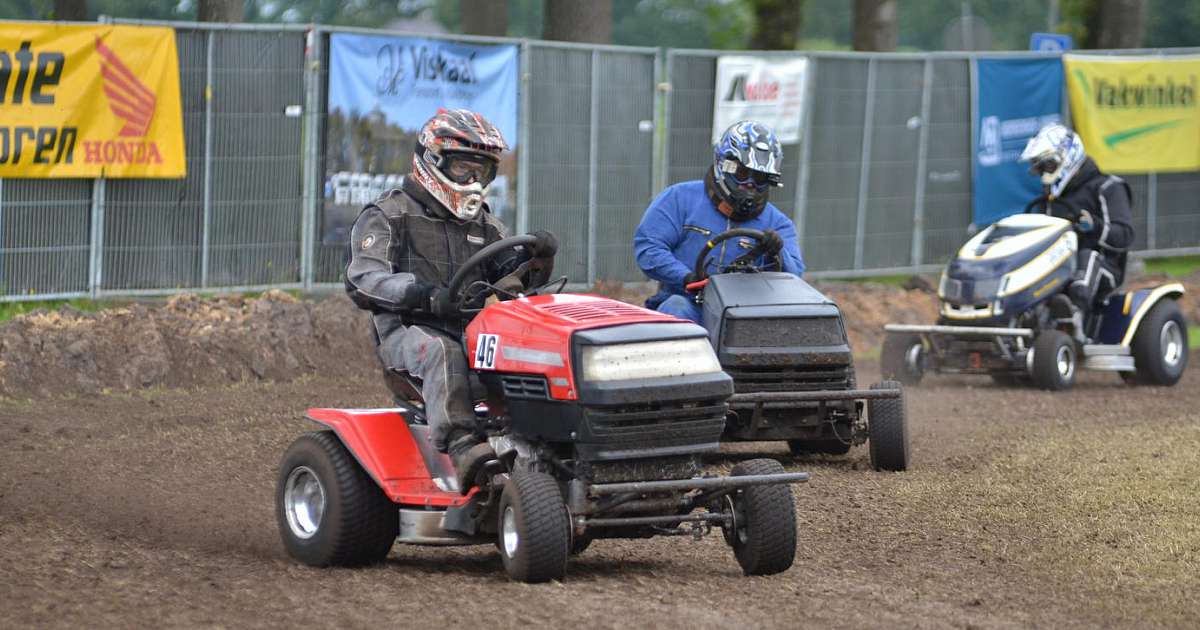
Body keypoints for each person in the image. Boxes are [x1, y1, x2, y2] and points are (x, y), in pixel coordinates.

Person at [344, 108, 557, 491]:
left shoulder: (485, 226)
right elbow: (363, 280)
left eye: (483, 172)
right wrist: (424, 297)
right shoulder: (390, 214)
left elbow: (515, 281)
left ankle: (549, 446)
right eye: (463, 170)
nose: (473, 181)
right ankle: (463, 448)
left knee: (532, 344)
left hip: (473, 334)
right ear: (432, 162)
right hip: (407, 334)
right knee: (443, 352)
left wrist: (539, 260)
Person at [633, 120, 805, 324]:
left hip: (747, 317)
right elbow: (649, 248)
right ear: (725, 165)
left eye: (759, 178)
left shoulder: (778, 224)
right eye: (742, 174)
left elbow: (795, 276)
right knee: (676, 307)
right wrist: (686, 278)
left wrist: (778, 252)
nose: (749, 184)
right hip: (687, 303)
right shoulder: (679, 199)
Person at [1020, 123, 1134, 319]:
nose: (1044, 174)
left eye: (1048, 166)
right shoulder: (1049, 200)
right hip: (1056, 265)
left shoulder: (1107, 187)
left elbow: (1124, 236)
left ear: (1068, 156)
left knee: (1087, 258)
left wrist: (1095, 227)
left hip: (1101, 266)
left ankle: (1073, 321)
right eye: (1040, 169)